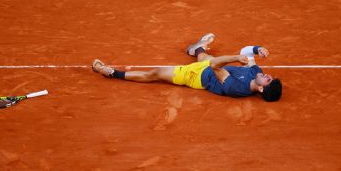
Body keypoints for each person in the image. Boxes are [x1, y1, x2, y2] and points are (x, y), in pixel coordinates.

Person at [92, 33, 282, 102]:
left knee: (156, 73)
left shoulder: (236, 88)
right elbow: (246, 52)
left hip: (195, 77)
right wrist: (258, 49)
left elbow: (216, 65)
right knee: (204, 56)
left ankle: (112, 73)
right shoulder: (257, 73)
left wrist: (235, 57)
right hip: (208, 66)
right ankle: (196, 48)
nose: (268, 75)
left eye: (268, 79)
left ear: (261, 88)